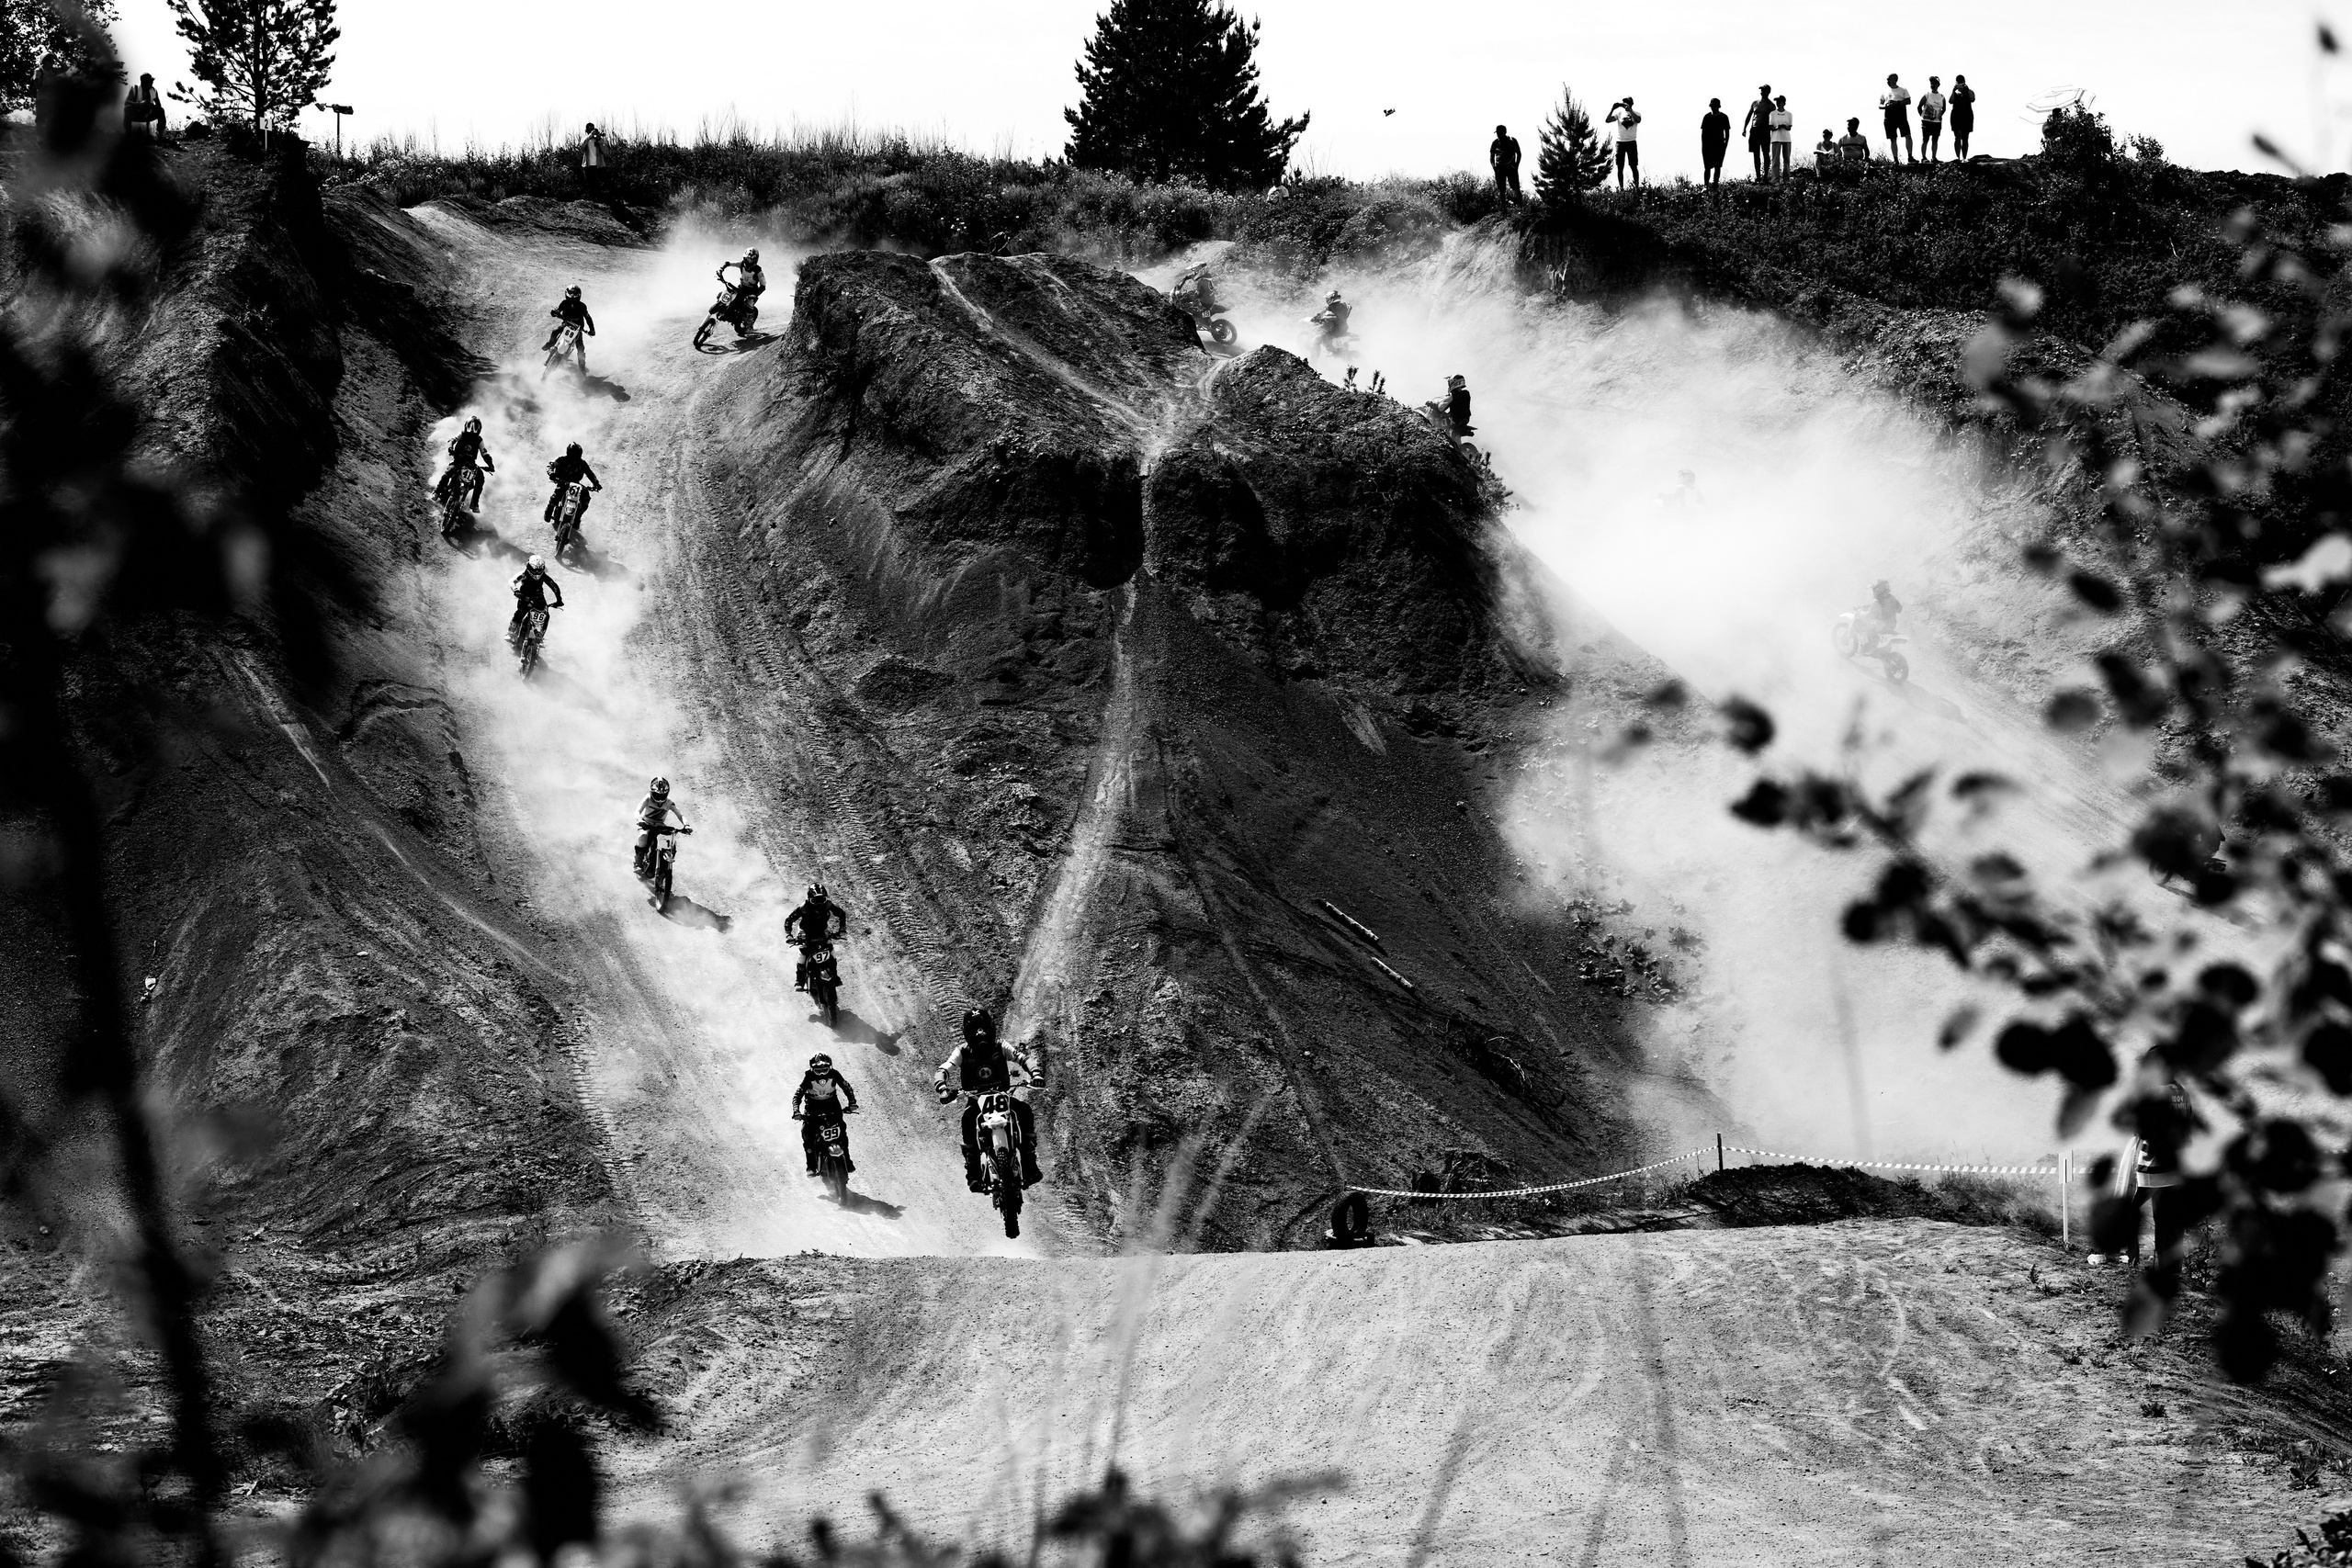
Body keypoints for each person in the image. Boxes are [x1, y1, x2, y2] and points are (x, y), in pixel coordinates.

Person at [934, 1008, 1043, 1190]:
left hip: (1003, 1096)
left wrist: (1036, 1073)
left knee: (1024, 1112)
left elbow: (1021, 1058)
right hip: (977, 1101)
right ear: (968, 1032)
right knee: (968, 1120)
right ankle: (974, 1174)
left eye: (983, 1027)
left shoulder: (1000, 1046)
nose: (980, 1033)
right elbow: (944, 1069)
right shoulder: (962, 1051)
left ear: (990, 1028)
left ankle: (1030, 1164)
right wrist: (942, 1088)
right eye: (975, 1029)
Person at [792, 1053, 860, 1177]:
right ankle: (811, 1166)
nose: (822, 1073)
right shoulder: (808, 1076)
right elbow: (798, 1094)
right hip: (812, 1107)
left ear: (830, 1067)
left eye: (824, 1069)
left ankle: (848, 1161)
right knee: (808, 1134)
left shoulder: (835, 1074)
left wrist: (852, 1103)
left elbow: (846, 1087)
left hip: (832, 1105)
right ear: (812, 1068)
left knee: (842, 1132)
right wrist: (796, 1111)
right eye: (818, 1070)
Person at [785, 882, 848, 991]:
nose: (819, 904)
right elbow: (789, 920)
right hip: (805, 931)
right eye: (815, 901)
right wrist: (789, 935)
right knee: (803, 953)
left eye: (821, 900)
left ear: (825, 898)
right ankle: (799, 980)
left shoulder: (828, 904)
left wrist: (842, 929)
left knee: (831, 951)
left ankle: (835, 976)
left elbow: (841, 913)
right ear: (809, 899)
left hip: (822, 930)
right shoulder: (804, 907)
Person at [633, 775, 686, 877]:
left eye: (662, 795)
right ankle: (637, 863)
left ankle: (663, 862)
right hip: (646, 823)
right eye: (657, 795)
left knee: (669, 840)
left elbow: (679, 814)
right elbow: (637, 811)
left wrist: (686, 825)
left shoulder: (669, 802)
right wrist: (640, 820)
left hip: (659, 825)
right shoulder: (648, 798)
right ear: (651, 792)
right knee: (643, 836)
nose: (660, 798)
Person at [439, 416, 494, 512]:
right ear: (466, 427)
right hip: (458, 460)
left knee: (480, 478)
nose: (472, 432)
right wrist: (450, 447)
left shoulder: (479, 440)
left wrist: (490, 465)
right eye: (470, 429)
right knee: (449, 472)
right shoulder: (462, 434)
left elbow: (484, 453)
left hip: (470, 464)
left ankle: (474, 504)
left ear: (479, 430)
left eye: (475, 429)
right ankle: (437, 491)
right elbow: (453, 439)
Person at [509, 555, 564, 649]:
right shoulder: (524, 574)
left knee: (546, 615)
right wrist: (516, 591)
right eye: (535, 570)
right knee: (521, 611)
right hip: (524, 596)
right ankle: (510, 631)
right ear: (529, 567)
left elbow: (554, 586)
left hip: (538, 597)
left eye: (539, 570)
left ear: (543, 568)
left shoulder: (543, 576)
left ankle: (540, 636)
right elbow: (512, 581)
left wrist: (559, 600)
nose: (537, 572)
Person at [542, 442, 603, 526]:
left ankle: (577, 517)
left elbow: (590, 473)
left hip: (576, 484)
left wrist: (596, 483)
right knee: (557, 495)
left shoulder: (582, 463)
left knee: (586, 498)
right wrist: (551, 474)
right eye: (573, 455)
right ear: (568, 453)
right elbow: (550, 465)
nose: (575, 458)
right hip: (562, 481)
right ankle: (549, 511)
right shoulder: (561, 459)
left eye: (577, 455)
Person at [542, 286, 596, 367]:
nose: (572, 297)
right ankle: (550, 344)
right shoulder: (564, 303)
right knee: (555, 332)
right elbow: (558, 309)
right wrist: (554, 312)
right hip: (566, 325)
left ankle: (582, 367)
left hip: (578, 329)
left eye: (574, 295)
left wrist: (592, 329)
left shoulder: (582, 306)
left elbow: (588, 317)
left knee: (580, 347)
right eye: (571, 294)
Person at [1605, 98, 1642, 188]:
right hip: (1620, 142)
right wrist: (1613, 109)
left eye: (1628, 102)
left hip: (1631, 142)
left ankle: (1636, 187)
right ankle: (1621, 188)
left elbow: (1638, 120)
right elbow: (1608, 120)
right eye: (1624, 102)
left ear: (1632, 103)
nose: (1626, 104)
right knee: (1620, 167)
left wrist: (1630, 111)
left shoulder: (1637, 113)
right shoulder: (1619, 114)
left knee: (1633, 166)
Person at [1880, 73, 1915, 164]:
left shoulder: (1903, 90)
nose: (1887, 82)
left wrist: (1897, 103)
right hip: (1889, 115)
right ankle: (1895, 159)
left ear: (1895, 79)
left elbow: (1908, 101)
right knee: (1893, 138)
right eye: (1887, 80)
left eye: (1889, 79)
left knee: (1907, 135)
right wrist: (1886, 106)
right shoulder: (1885, 91)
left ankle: (1910, 156)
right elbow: (1880, 104)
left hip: (1901, 115)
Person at [1860, 579, 1901, 651]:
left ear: (1878, 591)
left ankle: (1866, 649)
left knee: (1866, 626)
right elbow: (1899, 609)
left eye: (1873, 590)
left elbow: (1869, 616)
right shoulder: (1891, 598)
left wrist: (1860, 613)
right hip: (1892, 625)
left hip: (1882, 626)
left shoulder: (1877, 603)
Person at [123, 73, 165, 142]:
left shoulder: (153, 90)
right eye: (150, 82)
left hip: (149, 113)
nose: (152, 83)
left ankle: (160, 135)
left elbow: (159, 105)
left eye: (152, 82)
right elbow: (126, 103)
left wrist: (151, 105)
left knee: (161, 110)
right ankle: (128, 134)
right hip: (137, 114)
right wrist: (139, 104)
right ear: (143, 82)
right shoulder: (135, 89)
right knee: (127, 108)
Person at [1700, 99, 1731, 187]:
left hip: (1719, 145)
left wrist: (1725, 144)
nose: (1713, 108)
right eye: (1712, 106)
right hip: (1707, 146)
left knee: (1718, 166)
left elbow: (1727, 132)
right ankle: (1706, 186)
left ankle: (1715, 185)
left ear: (1718, 107)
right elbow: (1703, 134)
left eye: (1715, 106)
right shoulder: (1706, 117)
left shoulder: (1724, 117)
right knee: (1707, 167)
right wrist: (1704, 146)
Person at [1488, 124, 1523, 205]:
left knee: (1515, 187)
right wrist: (1494, 166)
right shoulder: (1495, 142)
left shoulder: (1512, 141)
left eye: (1499, 133)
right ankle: (1503, 209)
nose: (1498, 135)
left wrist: (1516, 165)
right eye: (1497, 133)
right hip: (1499, 169)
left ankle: (1521, 207)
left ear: (1504, 132)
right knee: (1501, 189)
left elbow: (1519, 154)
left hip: (1511, 168)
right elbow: (1491, 156)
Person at [1917, 76, 1949, 163]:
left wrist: (1940, 115)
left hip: (1937, 122)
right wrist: (1923, 116)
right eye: (1931, 83)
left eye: (1934, 83)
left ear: (1938, 85)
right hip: (1926, 121)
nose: (1933, 85)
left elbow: (1944, 109)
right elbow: (1919, 106)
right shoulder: (1927, 95)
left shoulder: (1942, 97)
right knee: (1925, 139)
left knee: (1935, 139)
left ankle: (1934, 157)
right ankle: (1924, 157)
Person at [1312, 289, 1351, 353]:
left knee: (1316, 340)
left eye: (1327, 298)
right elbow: (1347, 312)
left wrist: (1319, 320)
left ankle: (1312, 362)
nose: (1327, 300)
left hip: (1335, 331)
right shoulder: (1344, 305)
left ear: (1331, 299)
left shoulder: (1331, 308)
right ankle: (1337, 350)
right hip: (1344, 329)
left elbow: (1327, 320)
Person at [1949, 74, 1977, 158]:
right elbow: (1950, 101)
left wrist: (1967, 89)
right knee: (1957, 136)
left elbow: (1972, 99)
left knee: (1965, 137)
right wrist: (1954, 90)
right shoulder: (1954, 92)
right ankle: (1958, 157)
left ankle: (1964, 157)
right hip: (1956, 115)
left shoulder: (1969, 91)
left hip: (1967, 115)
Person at [1769, 95, 1794, 178]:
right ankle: (1775, 179)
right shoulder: (1772, 114)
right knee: (1775, 160)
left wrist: (1784, 126)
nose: (1778, 103)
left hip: (1786, 138)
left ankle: (1786, 179)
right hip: (1776, 138)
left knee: (1786, 159)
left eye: (1779, 102)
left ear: (1783, 103)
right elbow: (1770, 126)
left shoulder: (1789, 114)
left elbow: (1789, 127)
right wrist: (1776, 127)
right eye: (1777, 102)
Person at [581, 122, 608, 189]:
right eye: (590, 130)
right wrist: (590, 135)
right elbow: (582, 145)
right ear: (586, 131)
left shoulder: (600, 139)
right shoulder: (585, 139)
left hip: (599, 165)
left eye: (593, 130)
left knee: (603, 184)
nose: (592, 131)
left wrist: (600, 140)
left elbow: (606, 152)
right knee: (590, 184)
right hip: (588, 166)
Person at [1443, 374, 1472, 439]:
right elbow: (1459, 406)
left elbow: (1441, 407)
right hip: (1465, 419)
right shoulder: (1466, 393)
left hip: (1456, 419)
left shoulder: (1453, 395)